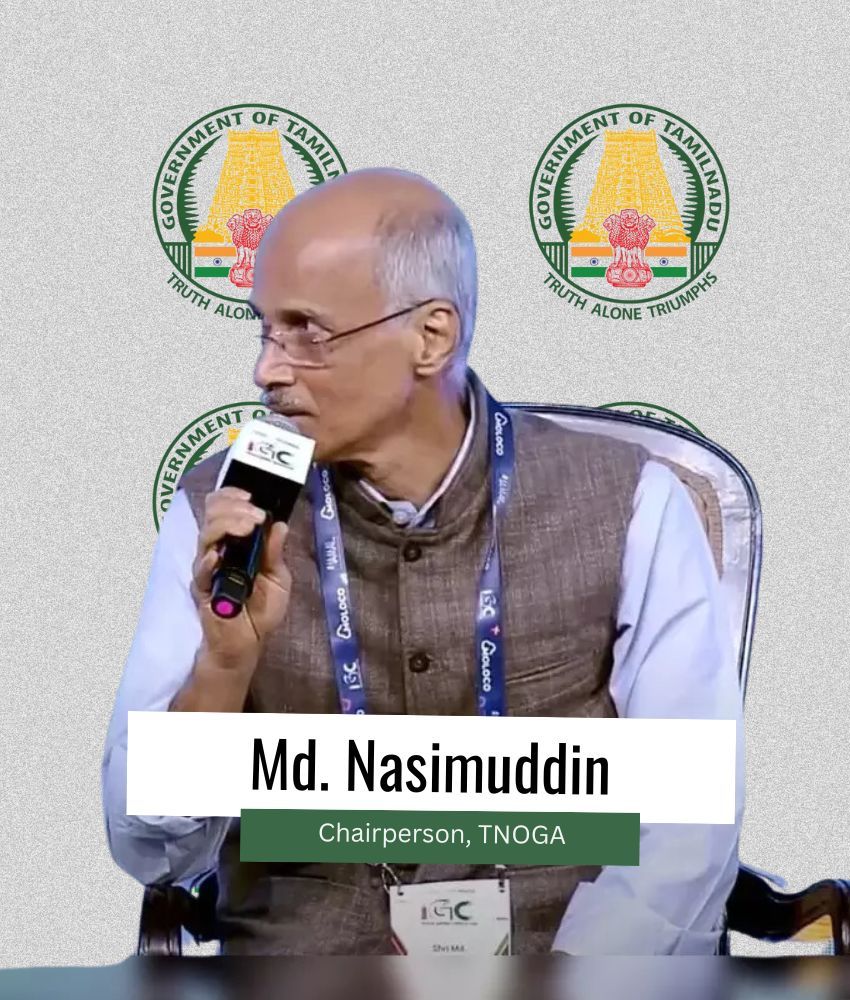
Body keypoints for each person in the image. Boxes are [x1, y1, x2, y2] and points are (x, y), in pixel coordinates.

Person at [102, 168, 743, 955]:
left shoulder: (632, 501)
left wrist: (572, 984)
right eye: (264, 330)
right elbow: (152, 850)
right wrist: (224, 666)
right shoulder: (222, 510)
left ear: (430, 335)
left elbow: (688, 817)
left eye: (307, 330)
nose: (266, 370)